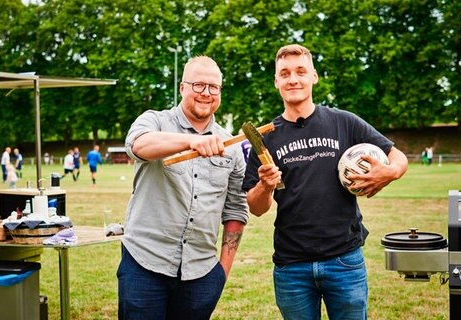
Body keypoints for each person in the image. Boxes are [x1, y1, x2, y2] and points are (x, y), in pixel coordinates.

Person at [242, 44, 409, 320]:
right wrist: (265, 185)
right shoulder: (266, 137)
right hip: (291, 266)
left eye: (300, 71)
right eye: (284, 73)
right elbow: (257, 207)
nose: (293, 79)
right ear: (276, 82)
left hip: (344, 260)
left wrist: (389, 172)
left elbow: (398, 156)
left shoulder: (343, 122)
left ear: (314, 76)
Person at [117, 55, 249, 319]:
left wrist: (221, 271)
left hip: (201, 274)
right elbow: (138, 145)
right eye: (198, 85)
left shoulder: (230, 145)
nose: (206, 93)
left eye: (213, 87)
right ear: (182, 87)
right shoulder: (154, 121)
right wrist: (189, 142)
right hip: (145, 264)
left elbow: (236, 210)